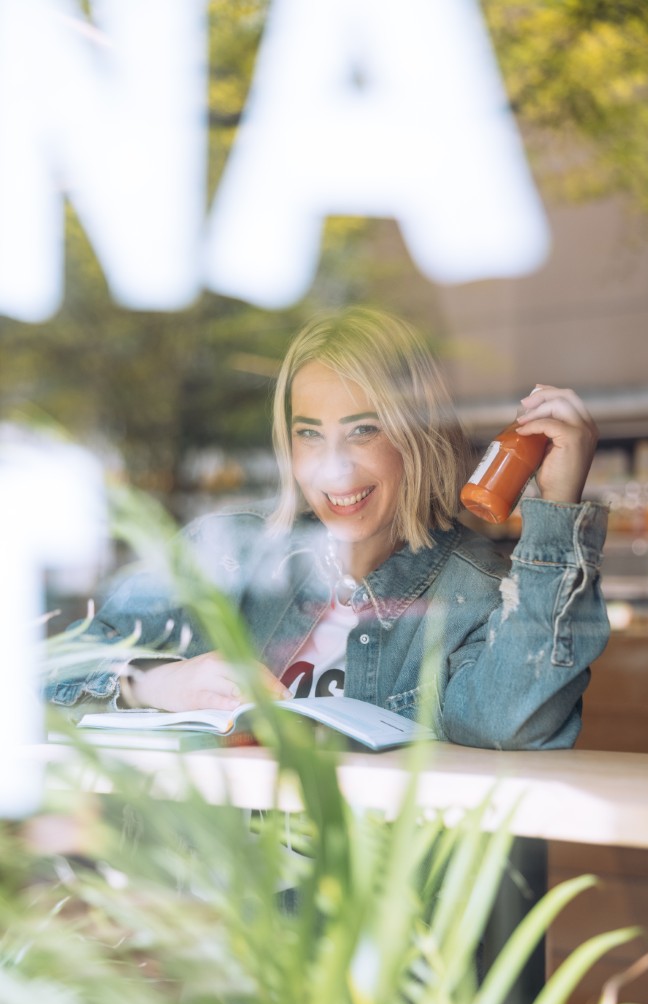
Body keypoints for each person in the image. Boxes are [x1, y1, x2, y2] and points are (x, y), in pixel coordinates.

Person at [46, 307, 609, 749]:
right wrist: (157, 684)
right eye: (309, 434)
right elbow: (45, 670)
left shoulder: (474, 593)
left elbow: (509, 722)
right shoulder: (224, 552)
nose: (333, 468)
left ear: (417, 436)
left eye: (364, 430)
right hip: (212, 893)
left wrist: (556, 508)